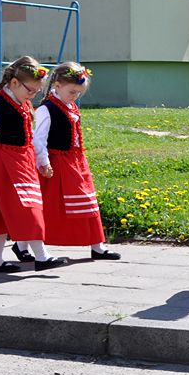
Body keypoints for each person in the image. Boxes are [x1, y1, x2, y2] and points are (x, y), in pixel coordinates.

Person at [0, 57, 67, 272]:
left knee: (25, 208)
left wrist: (42, 160)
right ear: (14, 83)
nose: (33, 95)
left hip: (23, 163)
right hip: (3, 166)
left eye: (36, 91)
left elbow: (32, 136)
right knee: (26, 209)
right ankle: (41, 257)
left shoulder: (23, 104)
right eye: (31, 90)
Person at [23, 62, 120, 262]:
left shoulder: (71, 106)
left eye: (78, 93)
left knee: (88, 202)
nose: (75, 96)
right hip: (57, 162)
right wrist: (44, 162)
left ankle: (97, 246)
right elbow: (38, 139)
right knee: (50, 206)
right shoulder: (47, 109)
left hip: (76, 160)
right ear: (57, 85)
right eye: (72, 92)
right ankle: (22, 244)